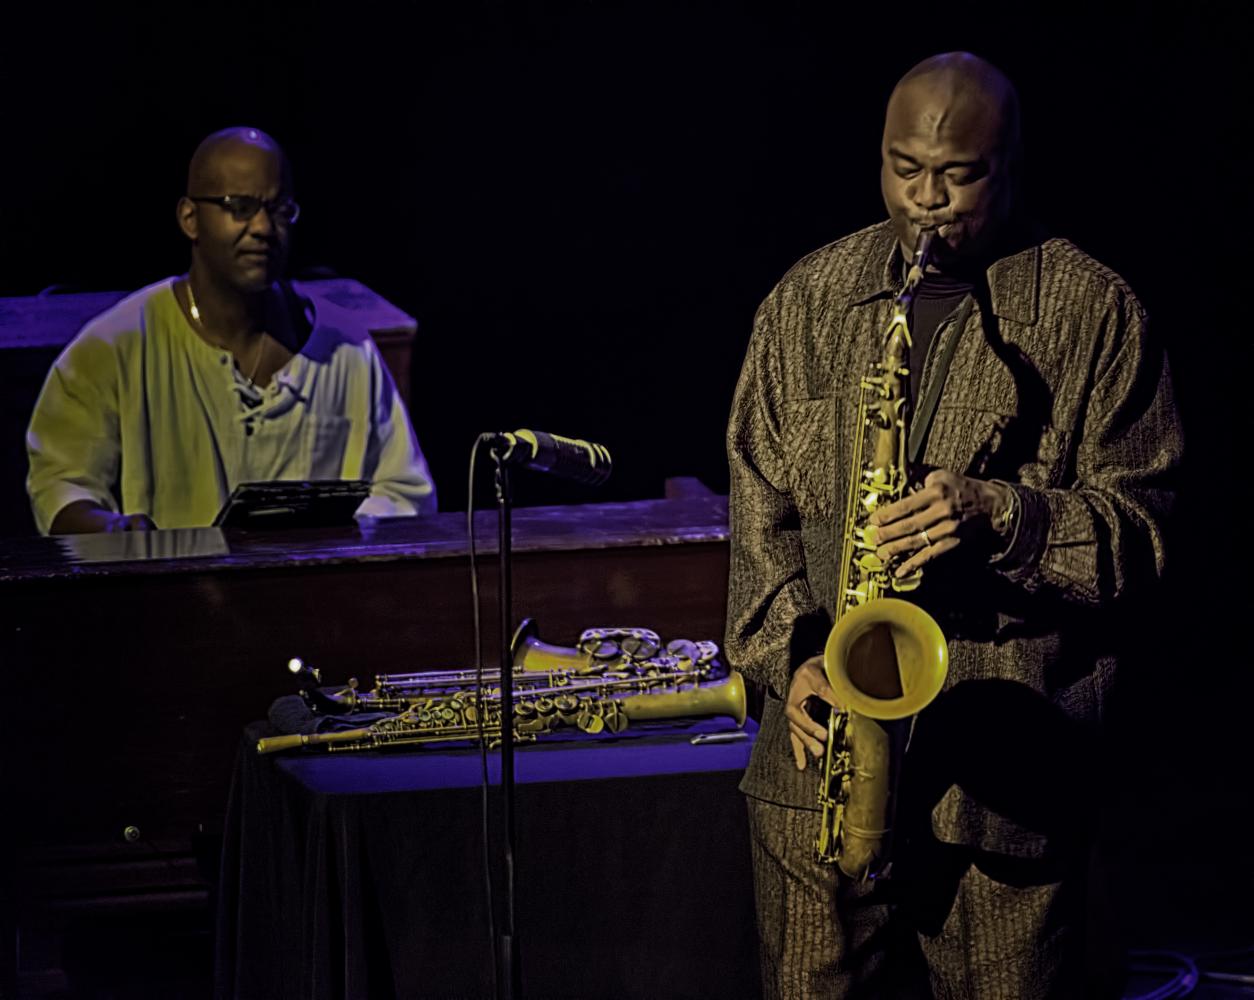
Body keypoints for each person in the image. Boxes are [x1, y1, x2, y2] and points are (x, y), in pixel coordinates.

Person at [726, 52, 1180, 999]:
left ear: (1009, 164)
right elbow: (757, 502)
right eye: (904, 169)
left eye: (959, 175)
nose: (927, 202)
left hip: (1007, 782)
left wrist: (1003, 515)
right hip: (822, 768)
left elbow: (1147, 538)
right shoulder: (809, 298)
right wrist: (800, 649)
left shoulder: (1097, 313)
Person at [26, 126, 436, 534]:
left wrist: (336, 538)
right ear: (190, 218)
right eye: (239, 206)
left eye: (278, 209)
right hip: (175, 595)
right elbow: (61, 485)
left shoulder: (346, 348)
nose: (261, 227)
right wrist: (118, 536)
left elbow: (405, 492)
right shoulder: (116, 346)